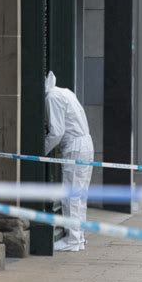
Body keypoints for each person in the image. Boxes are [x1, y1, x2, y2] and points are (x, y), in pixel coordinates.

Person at [45, 71, 94, 252]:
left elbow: (56, 133)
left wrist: (41, 151)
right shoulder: (65, 91)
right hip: (86, 144)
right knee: (80, 195)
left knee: (71, 195)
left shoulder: (52, 97)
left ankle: (73, 240)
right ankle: (79, 237)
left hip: (75, 147)